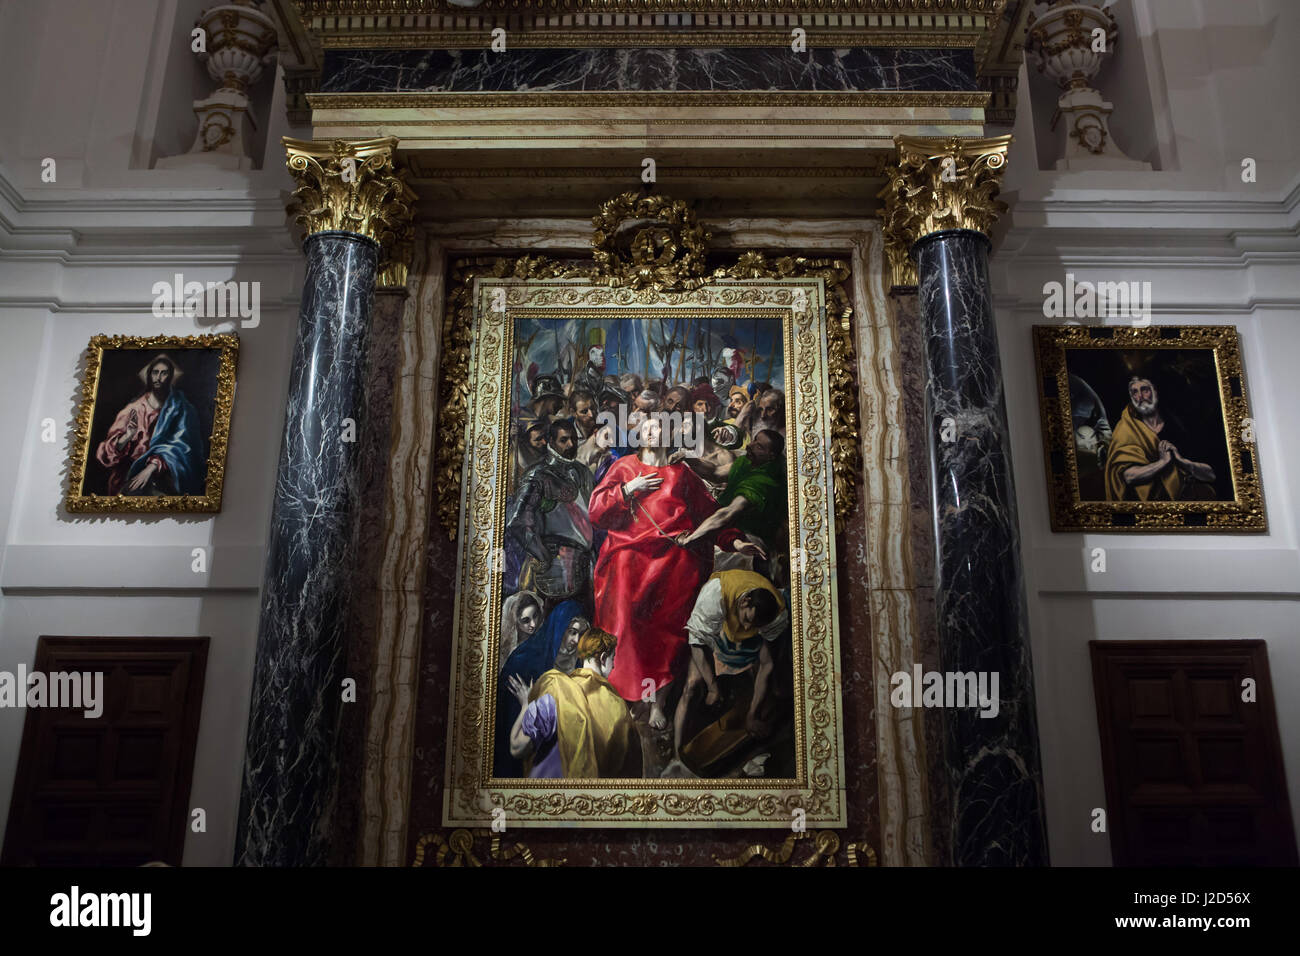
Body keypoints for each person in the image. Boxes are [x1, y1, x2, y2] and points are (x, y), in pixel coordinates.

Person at [588, 414, 759, 730]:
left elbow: (709, 513)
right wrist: (628, 489)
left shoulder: (682, 473)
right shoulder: (624, 468)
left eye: (660, 428)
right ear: (640, 434)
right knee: (626, 615)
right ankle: (627, 695)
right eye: (648, 428)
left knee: (667, 630)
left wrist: (735, 541)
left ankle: (659, 702)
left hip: (674, 559)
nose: (654, 433)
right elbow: (596, 510)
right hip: (629, 557)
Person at [673, 570, 788, 763]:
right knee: (691, 686)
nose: (746, 628)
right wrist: (712, 687)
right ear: (745, 602)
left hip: (744, 645)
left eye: (755, 625)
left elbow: (767, 664)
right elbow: (697, 644)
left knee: (762, 675)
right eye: (748, 620)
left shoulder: (776, 613)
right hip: (714, 632)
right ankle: (676, 753)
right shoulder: (714, 595)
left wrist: (753, 715)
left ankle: (752, 713)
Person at [507, 627, 641, 778]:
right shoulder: (618, 707)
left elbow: (517, 747)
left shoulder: (556, 691)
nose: (614, 666)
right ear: (603, 658)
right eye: (613, 658)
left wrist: (526, 705)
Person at [494, 601, 588, 777]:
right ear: (559, 628)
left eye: (581, 634)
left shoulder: (579, 662)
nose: (576, 640)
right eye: (572, 632)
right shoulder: (525, 660)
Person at [506, 419, 594, 601]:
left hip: (586, 564)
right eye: (564, 440)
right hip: (554, 570)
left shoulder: (582, 472)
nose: (571, 444)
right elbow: (518, 522)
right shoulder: (538, 475)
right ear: (551, 442)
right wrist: (544, 558)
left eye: (574, 439)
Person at [95, 353, 205, 495]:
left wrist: (151, 467)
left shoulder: (182, 408)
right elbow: (105, 456)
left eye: (164, 373)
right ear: (149, 375)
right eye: (155, 373)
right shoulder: (133, 410)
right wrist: (127, 436)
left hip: (166, 476)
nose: (158, 378)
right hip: (129, 477)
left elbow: (183, 448)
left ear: (170, 377)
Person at [680, 429, 787, 563]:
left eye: (759, 446)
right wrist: (687, 457)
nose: (750, 445)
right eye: (754, 440)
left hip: (746, 537)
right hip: (723, 526)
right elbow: (716, 473)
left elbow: (727, 513)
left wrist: (691, 539)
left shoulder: (762, 482)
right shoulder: (749, 461)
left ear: (771, 456)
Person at [1105, 376, 1217, 501]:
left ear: (1156, 392)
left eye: (1145, 390)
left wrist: (1181, 461)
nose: (1140, 397)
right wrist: (1163, 462)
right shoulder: (1126, 430)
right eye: (1134, 392)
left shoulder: (1179, 426)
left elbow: (1210, 475)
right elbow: (1128, 476)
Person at [499, 591, 541, 670]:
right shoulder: (506, 649)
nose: (533, 624)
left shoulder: (541, 642)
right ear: (515, 621)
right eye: (525, 620)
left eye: (535, 616)